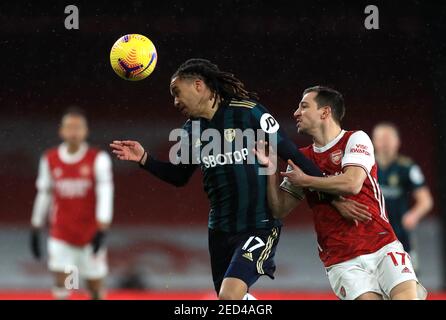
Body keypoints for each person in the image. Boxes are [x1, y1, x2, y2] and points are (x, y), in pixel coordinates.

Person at [110, 59, 368, 300]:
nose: (175, 101)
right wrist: (144, 159)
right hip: (219, 230)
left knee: (228, 296)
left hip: (258, 225)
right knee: (230, 302)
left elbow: (291, 154)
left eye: (177, 92)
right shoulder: (192, 130)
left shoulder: (249, 113)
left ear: (198, 85)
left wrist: (335, 198)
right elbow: (178, 177)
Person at [255, 85, 427, 300]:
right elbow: (279, 209)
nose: (296, 113)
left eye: (304, 106)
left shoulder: (356, 139)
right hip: (341, 258)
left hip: (382, 244)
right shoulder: (301, 159)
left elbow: (352, 183)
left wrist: (307, 180)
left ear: (325, 112)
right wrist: (269, 169)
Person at [30, 108, 114, 300]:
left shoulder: (98, 159)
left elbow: (105, 194)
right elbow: (44, 194)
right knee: (65, 283)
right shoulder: (50, 159)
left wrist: (102, 227)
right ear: (61, 131)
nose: (74, 132)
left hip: (89, 235)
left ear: (86, 131)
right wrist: (35, 226)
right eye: (69, 127)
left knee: (94, 286)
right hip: (62, 234)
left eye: (78, 128)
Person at [372, 122, 433, 270]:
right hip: (372, 235)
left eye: (389, 139)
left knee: (408, 283)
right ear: (373, 141)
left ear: (398, 142)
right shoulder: (365, 166)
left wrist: (413, 215)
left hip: (400, 234)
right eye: (381, 139)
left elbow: (426, 200)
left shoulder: (407, 168)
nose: (385, 144)